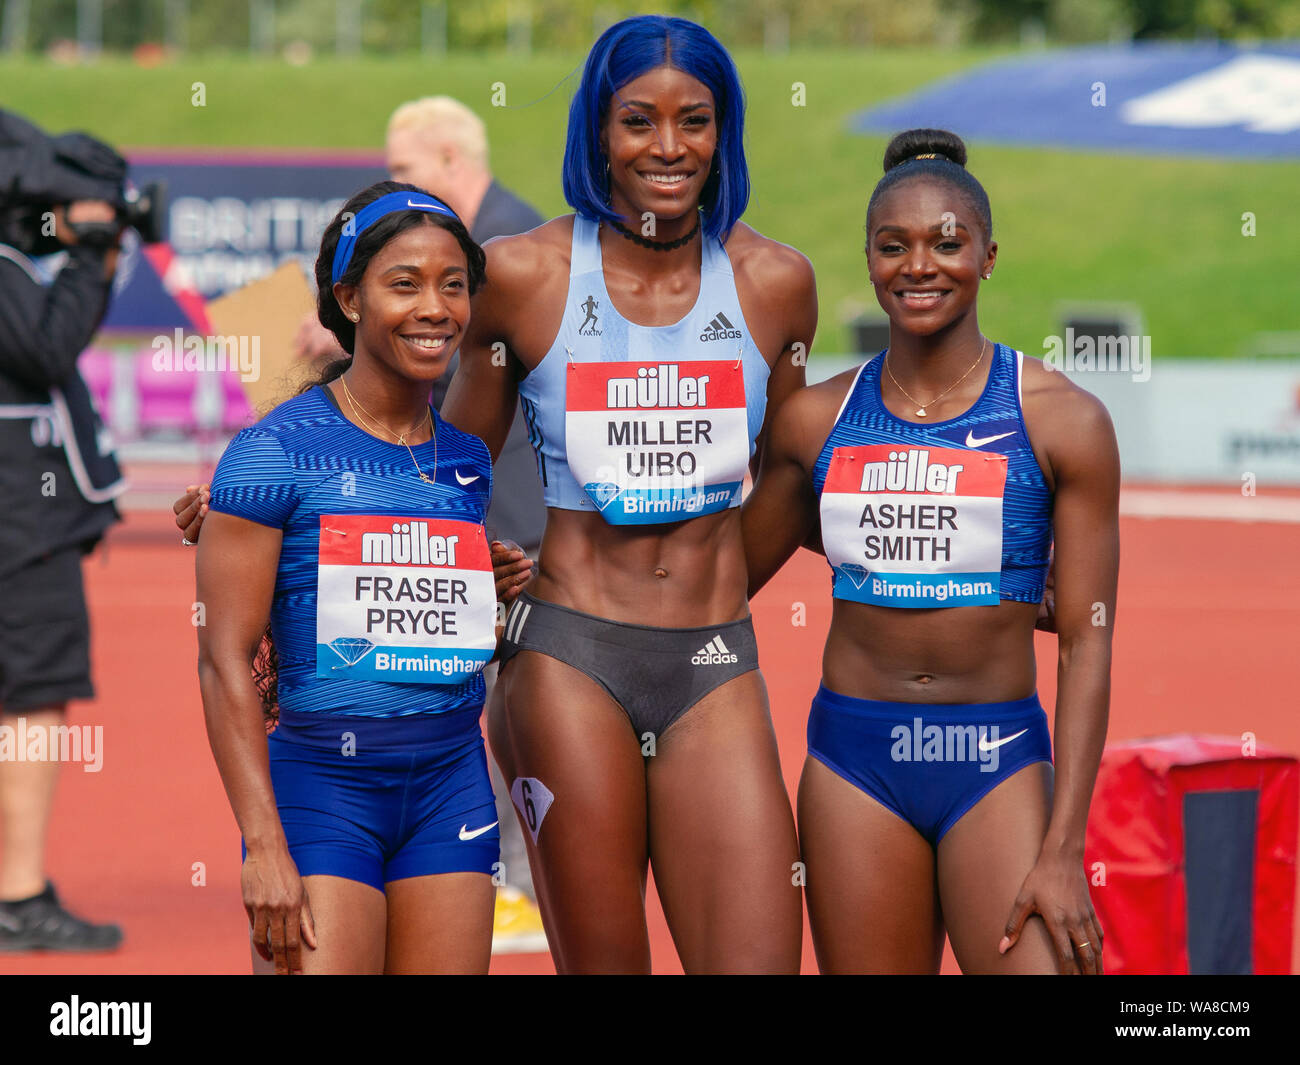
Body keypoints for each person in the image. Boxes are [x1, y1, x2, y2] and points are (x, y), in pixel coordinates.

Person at [443, 15, 816, 973]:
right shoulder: (523, 277)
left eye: (694, 121)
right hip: (567, 652)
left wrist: (722, 575)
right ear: (596, 133)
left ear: (722, 132)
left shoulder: (775, 284)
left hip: (714, 656)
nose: (667, 147)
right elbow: (447, 466)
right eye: (637, 121)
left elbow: (790, 470)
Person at [742, 129, 1115, 974]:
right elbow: (727, 572)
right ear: (869, 261)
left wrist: (1063, 849)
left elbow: (1090, 637)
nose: (920, 265)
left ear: (987, 255)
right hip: (854, 760)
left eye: (947, 243)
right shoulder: (816, 421)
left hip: (994, 758)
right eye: (893, 246)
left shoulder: (1064, 419)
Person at [179, 95, 549, 948]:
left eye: (453, 286)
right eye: (405, 285)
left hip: (453, 790)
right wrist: (263, 844)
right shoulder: (273, 452)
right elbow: (223, 658)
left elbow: (421, 626)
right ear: (347, 298)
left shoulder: (465, 461)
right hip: (324, 794)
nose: (435, 308)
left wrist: (476, 597)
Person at [0, 198, 126, 951]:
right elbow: (48, 350)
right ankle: (17, 894)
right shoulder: (7, 269)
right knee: (35, 693)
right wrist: (86, 256)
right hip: (20, 526)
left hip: (24, 519)